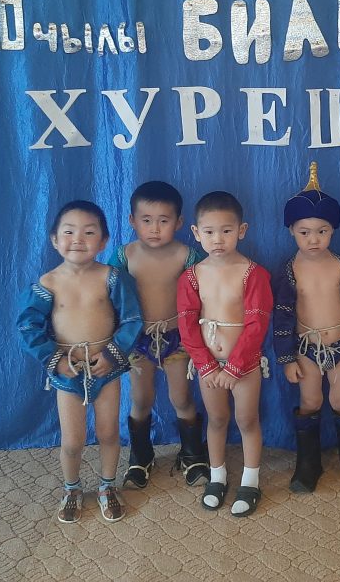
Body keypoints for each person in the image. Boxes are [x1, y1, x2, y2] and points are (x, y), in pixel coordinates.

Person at [16, 201, 143, 523]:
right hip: (67, 373)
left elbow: (132, 320)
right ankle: (71, 488)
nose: (78, 239)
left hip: (107, 369)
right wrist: (55, 359)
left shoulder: (112, 278)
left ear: (103, 241)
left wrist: (112, 355)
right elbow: (29, 327)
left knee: (108, 433)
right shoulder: (47, 283)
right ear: (54, 239)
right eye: (69, 232)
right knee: (72, 441)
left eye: (89, 232)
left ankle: (107, 485)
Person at [273, 163, 340, 492]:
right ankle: (308, 463)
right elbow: (283, 316)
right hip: (306, 350)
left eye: (322, 231)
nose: (313, 239)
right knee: (311, 401)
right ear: (291, 230)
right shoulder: (290, 270)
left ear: (333, 230)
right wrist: (286, 358)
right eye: (304, 232)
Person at [177, 191, 272, 517]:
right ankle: (217, 476)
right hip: (208, 366)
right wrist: (206, 365)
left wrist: (234, 367)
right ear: (196, 233)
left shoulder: (253, 273)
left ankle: (250, 481)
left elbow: (257, 324)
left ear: (242, 230)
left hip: (244, 365)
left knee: (247, 419)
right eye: (209, 231)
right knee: (217, 419)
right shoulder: (191, 276)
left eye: (226, 231)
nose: (218, 239)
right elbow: (187, 324)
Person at [110, 181, 208, 490]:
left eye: (164, 221)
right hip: (138, 340)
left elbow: (205, 293)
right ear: (132, 220)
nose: (154, 228)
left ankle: (192, 454)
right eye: (146, 220)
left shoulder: (187, 255)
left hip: (177, 338)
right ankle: (140, 455)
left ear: (179, 223)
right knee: (141, 399)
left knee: (181, 397)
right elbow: (108, 295)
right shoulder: (124, 255)